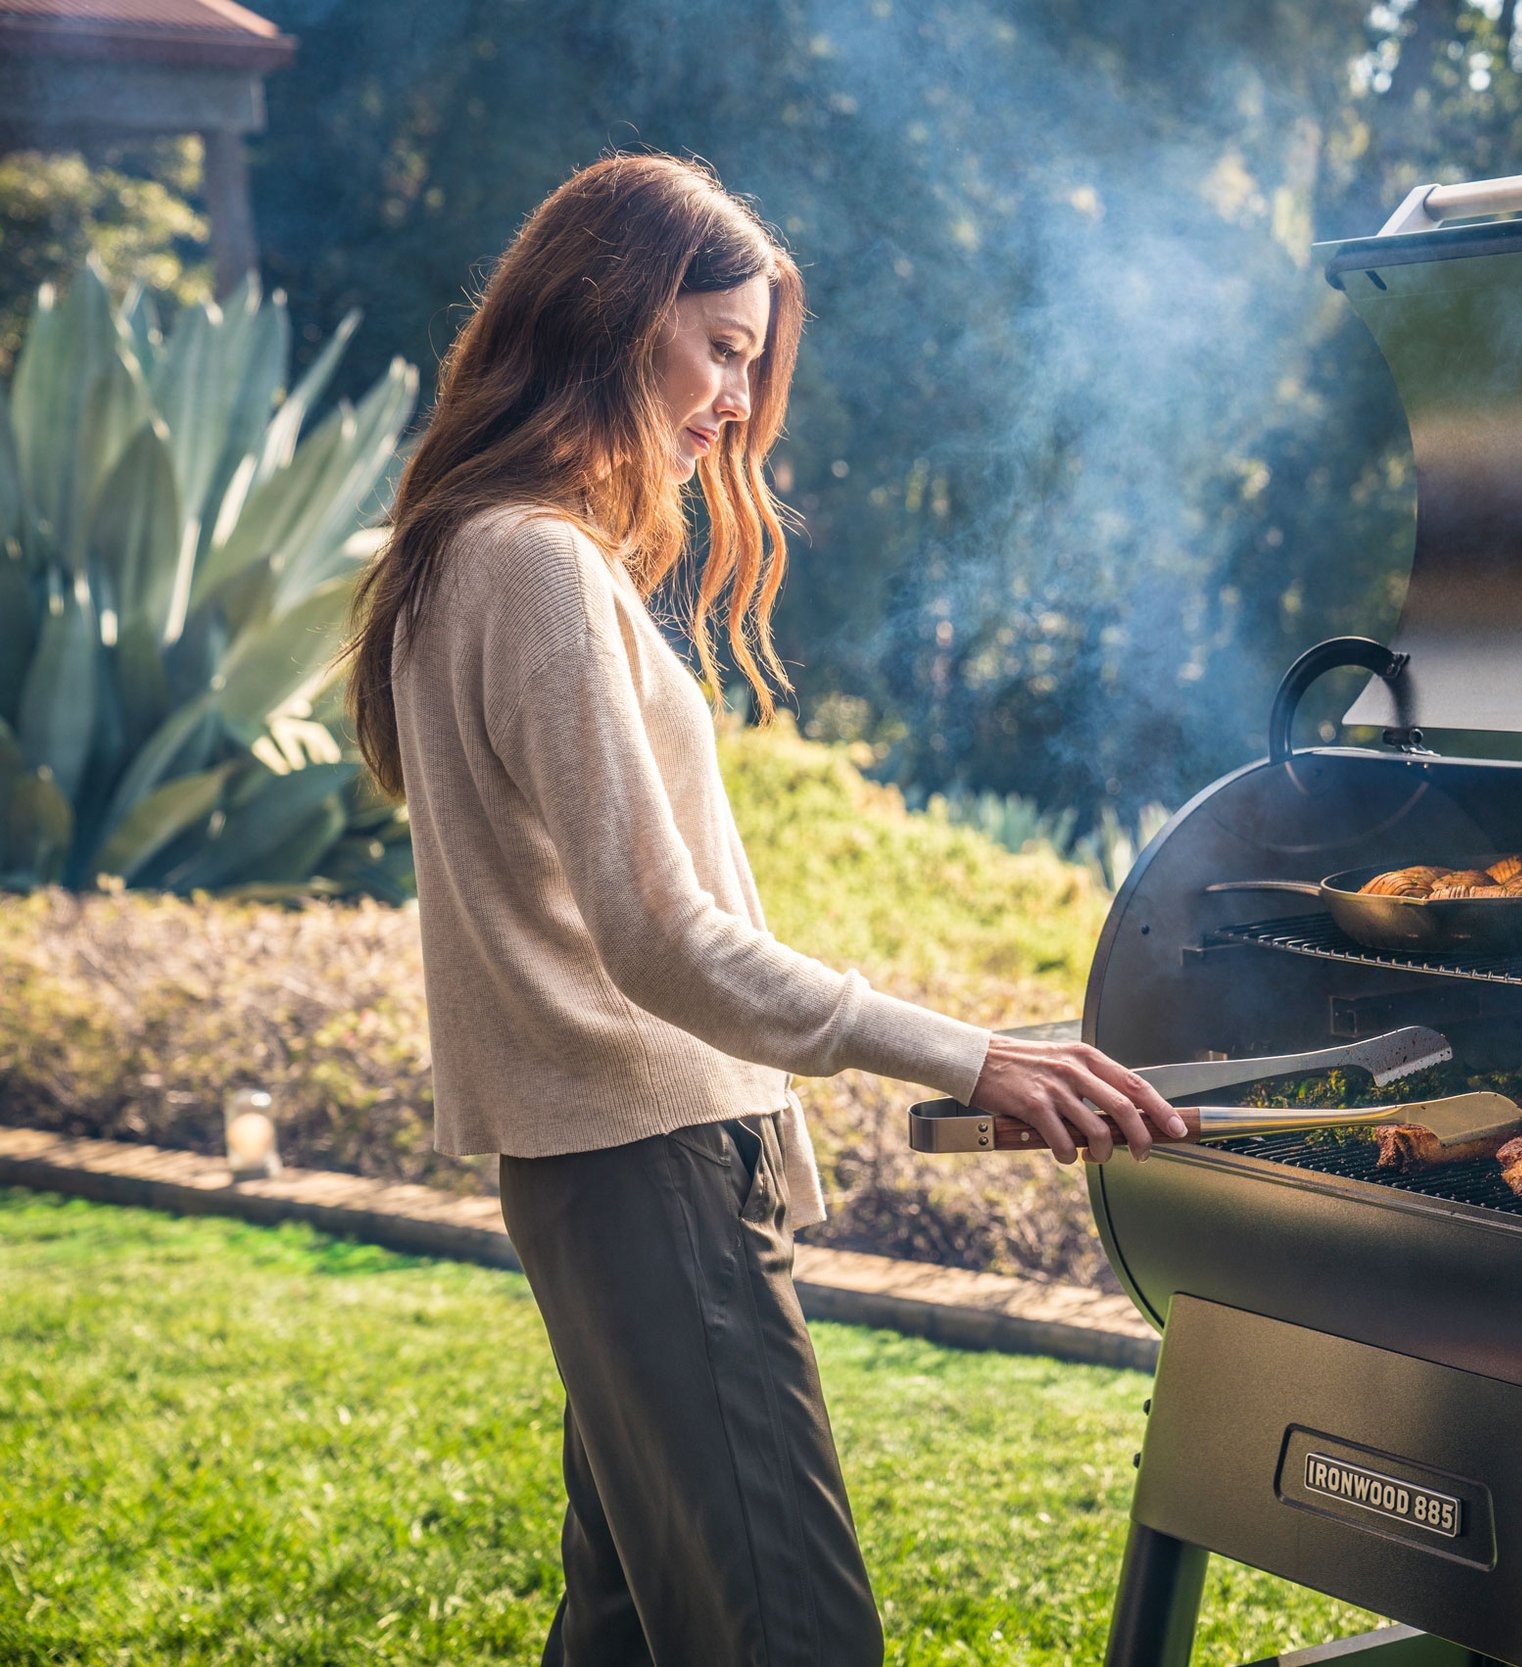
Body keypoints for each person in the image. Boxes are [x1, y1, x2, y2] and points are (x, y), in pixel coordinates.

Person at [340, 151, 1186, 1666]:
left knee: (628, 1624)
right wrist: (972, 1054)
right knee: (790, 1632)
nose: (736, 398)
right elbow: (659, 938)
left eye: (749, 359)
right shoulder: (533, 566)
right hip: (647, 1164)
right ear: (612, 314)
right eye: (720, 346)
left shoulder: (471, 553)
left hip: (603, 1171)